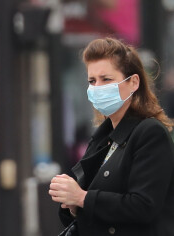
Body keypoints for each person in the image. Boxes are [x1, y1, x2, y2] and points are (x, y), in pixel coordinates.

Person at [49, 37, 174, 236]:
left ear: (133, 82)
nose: (98, 87)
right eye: (92, 81)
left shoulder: (150, 132)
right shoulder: (102, 137)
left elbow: (144, 206)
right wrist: (72, 203)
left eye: (106, 79)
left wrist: (82, 198)